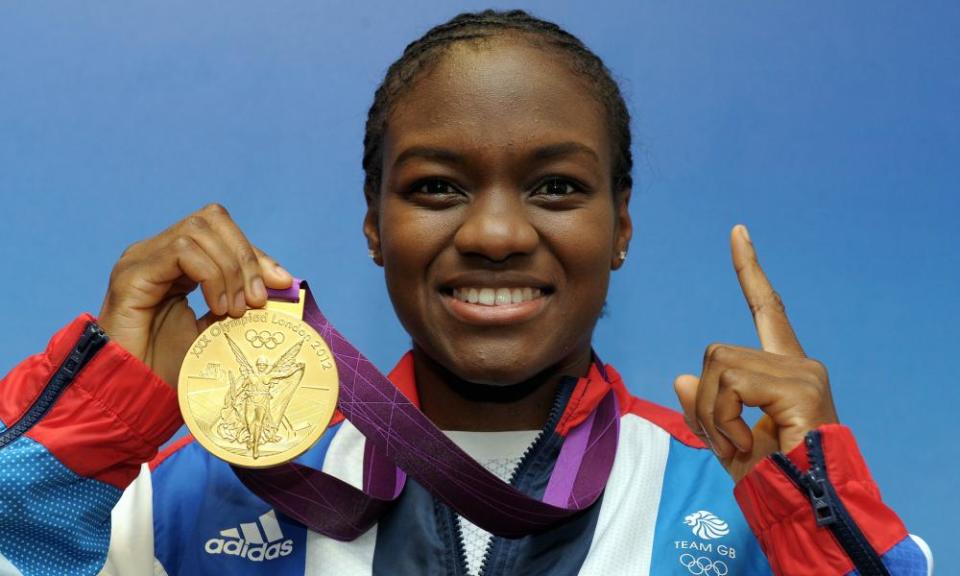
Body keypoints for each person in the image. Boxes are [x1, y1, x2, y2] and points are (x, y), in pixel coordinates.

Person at [0, 9, 933, 576]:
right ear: (374, 226)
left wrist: (817, 519)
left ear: (622, 227)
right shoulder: (203, 496)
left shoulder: (735, 503)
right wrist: (91, 424)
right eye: (437, 186)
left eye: (557, 187)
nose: (493, 233)